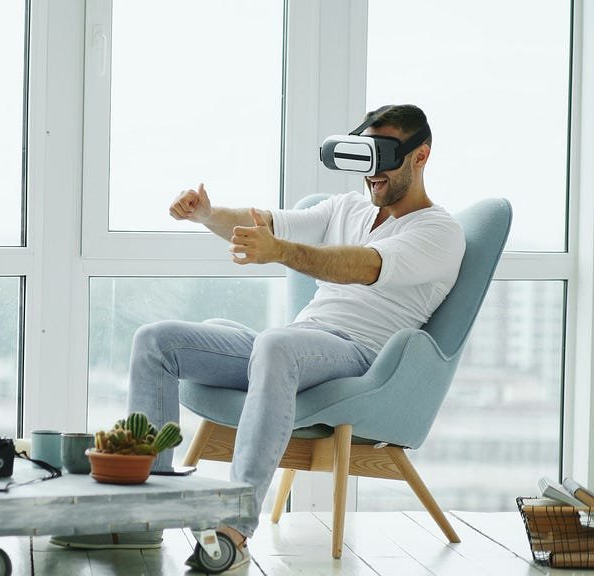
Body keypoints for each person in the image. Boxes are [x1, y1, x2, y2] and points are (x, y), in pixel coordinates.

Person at [50, 104, 466, 572]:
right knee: (155, 341)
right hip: (296, 342)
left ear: (420, 156)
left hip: (360, 356)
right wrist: (207, 214)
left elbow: (364, 265)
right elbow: (263, 223)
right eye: (364, 155)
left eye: (384, 156)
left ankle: (233, 529)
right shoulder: (347, 207)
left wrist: (280, 252)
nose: (372, 173)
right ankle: (145, 517)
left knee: (275, 345)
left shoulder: (439, 232)